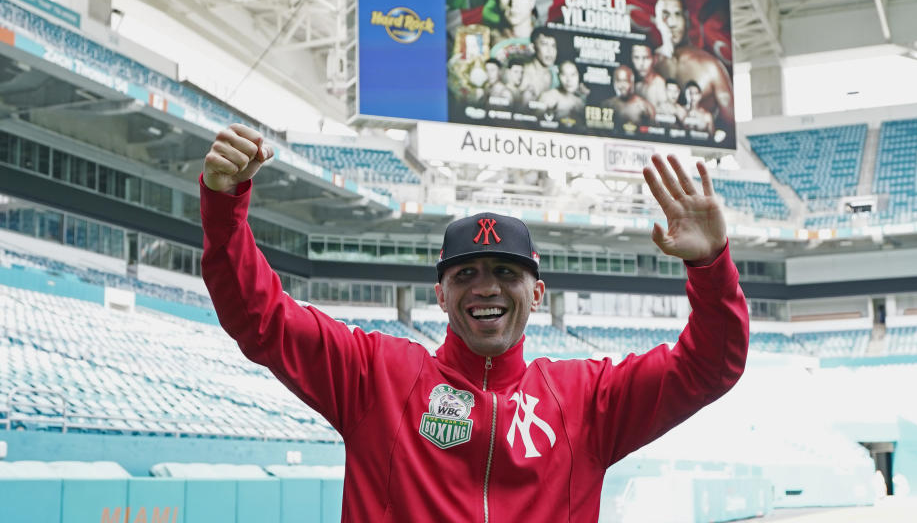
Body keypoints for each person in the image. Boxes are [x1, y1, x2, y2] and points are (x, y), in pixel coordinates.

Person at [200, 123, 749, 522]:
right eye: (466, 275)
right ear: (440, 294)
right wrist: (225, 206)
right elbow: (260, 319)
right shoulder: (374, 376)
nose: (486, 287)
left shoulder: (588, 400)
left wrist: (711, 264)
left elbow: (709, 367)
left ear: (536, 294)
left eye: (506, 272)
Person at [652, 0, 735, 131]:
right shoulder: (650, 64)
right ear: (656, 20)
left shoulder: (711, 67)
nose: (672, 23)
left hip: (700, 149)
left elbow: (731, 127)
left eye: (677, 14)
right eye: (665, 15)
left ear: (687, 20)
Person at [601, 65, 656, 132]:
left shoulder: (645, 107)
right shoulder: (607, 105)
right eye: (618, 81)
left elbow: (653, 133)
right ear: (614, 83)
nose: (622, 86)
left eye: (625, 81)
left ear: (632, 82)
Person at [518, 27, 559, 110]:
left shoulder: (558, 75)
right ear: (533, 48)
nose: (550, 51)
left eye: (553, 46)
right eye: (544, 44)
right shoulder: (522, 73)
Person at [539, 60, 587, 128]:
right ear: (558, 76)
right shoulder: (550, 96)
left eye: (573, 75)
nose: (569, 80)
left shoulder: (579, 102)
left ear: (578, 76)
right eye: (564, 75)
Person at [630, 42, 667, 108]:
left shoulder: (660, 85)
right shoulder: (636, 85)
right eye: (636, 57)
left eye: (646, 58)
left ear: (655, 59)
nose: (641, 64)